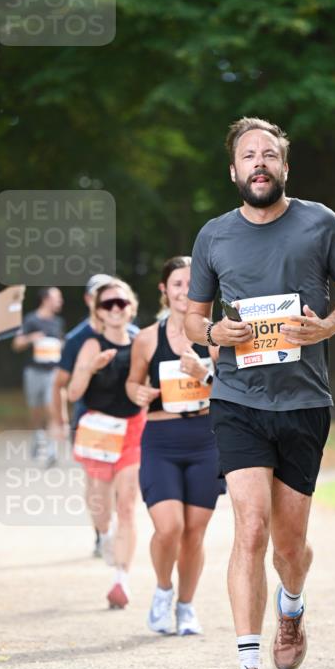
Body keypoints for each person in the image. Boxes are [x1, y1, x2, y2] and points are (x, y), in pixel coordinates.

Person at [185, 116, 335, 669]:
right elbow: (193, 319)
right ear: (233, 171)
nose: (258, 163)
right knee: (251, 530)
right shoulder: (213, 236)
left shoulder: (320, 222)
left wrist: (325, 326)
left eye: (269, 154)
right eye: (248, 156)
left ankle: (292, 603)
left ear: (284, 167)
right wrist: (214, 332)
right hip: (237, 400)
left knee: (289, 546)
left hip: (304, 402)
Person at [126, 256, 224, 636]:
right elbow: (133, 384)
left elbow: (231, 391)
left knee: (194, 532)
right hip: (161, 441)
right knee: (169, 528)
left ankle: (186, 606)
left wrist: (205, 373)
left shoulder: (217, 335)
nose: (185, 291)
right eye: (178, 284)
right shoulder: (147, 338)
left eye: (192, 283)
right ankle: (163, 591)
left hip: (205, 440)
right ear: (165, 290)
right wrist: (138, 392)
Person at [67, 279, 145, 609]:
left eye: (121, 303)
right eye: (107, 304)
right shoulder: (89, 344)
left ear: (132, 307)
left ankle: (121, 581)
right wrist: (91, 367)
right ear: (98, 311)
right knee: (101, 507)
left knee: (127, 502)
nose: (115, 309)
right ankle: (106, 535)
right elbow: (72, 392)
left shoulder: (143, 341)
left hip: (133, 429)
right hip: (98, 429)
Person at [52, 274, 116, 557]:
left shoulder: (131, 332)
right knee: (95, 481)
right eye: (98, 296)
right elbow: (59, 384)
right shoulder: (77, 339)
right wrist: (60, 421)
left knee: (119, 481)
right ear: (89, 300)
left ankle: (113, 529)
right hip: (89, 418)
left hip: (125, 419)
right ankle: (101, 534)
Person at [12, 287, 65, 467]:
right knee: (35, 410)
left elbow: (61, 344)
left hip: (52, 372)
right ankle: (38, 433)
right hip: (33, 372)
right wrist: (30, 338)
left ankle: (51, 450)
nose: (60, 301)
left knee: (51, 408)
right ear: (45, 300)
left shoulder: (58, 322)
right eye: (57, 298)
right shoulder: (30, 319)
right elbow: (16, 344)